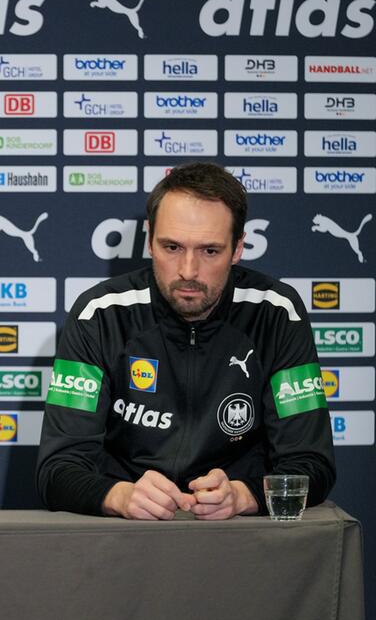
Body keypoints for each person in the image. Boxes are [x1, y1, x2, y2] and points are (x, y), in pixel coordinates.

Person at [36, 162, 335, 520]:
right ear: (149, 241)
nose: (188, 271)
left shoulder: (276, 313)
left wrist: (243, 495)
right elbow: (57, 470)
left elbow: (312, 463)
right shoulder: (99, 314)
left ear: (238, 248)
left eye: (210, 251)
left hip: (237, 536)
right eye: (172, 247)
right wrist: (119, 496)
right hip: (126, 538)